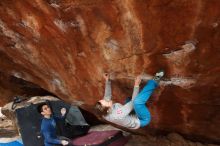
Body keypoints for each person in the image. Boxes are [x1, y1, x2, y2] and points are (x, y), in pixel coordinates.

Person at [95, 70, 164, 129]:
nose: (106, 99)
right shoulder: (117, 115)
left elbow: (107, 96)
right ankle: (156, 80)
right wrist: (136, 85)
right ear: (108, 109)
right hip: (142, 120)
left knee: (129, 99)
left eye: (102, 100)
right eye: (106, 101)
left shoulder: (103, 112)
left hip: (126, 115)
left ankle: (140, 102)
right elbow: (133, 101)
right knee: (137, 102)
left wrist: (107, 80)